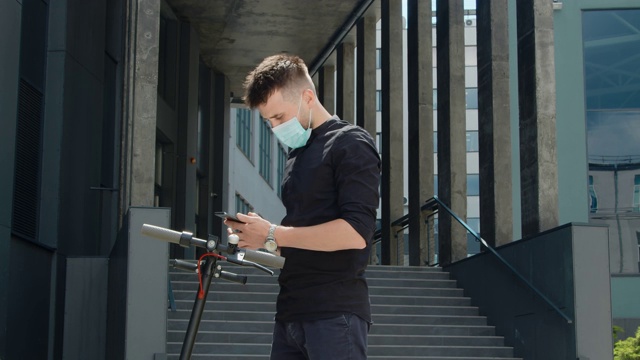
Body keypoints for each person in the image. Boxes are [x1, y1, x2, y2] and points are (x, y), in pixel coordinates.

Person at [225, 53, 381, 360]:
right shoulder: (297, 154)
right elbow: (302, 236)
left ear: (307, 97)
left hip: (335, 313)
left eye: (279, 117)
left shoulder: (351, 143)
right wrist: (265, 239)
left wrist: (274, 232)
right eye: (268, 120)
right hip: (291, 312)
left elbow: (355, 233)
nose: (274, 127)